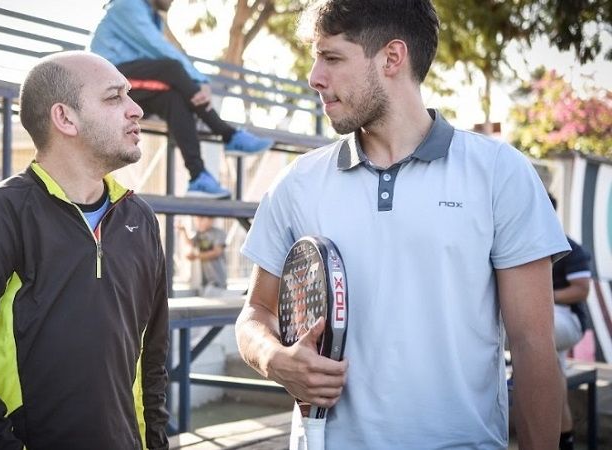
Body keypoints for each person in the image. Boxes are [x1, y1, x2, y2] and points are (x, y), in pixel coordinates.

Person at [234, 1, 570, 448]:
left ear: (392, 57)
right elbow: (256, 313)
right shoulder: (296, 183)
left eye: (332, 57)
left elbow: (533, 347)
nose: (315, 76)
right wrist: (274, 358)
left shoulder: (500, 172)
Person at [0, 51, 169, 450]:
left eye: (130, 96)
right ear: (65, 118)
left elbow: (152, 359)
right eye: (114, 97)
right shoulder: (0, 214)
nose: (136, 109)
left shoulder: (140, 219)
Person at [90, 0, 275, 199]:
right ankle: (228, 134)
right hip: (107, 85)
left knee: (174, 99)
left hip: (132, 89)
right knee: (171, 67)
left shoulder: (150, 15)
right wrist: (198, 79)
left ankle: (198, 176)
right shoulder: (126, 5)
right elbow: (157, 47)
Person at [548, 193, 593, 450]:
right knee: (554, 371)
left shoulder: (569, 247)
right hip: (545, 317)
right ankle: (565, 439)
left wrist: (539, 297)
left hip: (567, 318)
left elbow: (581, 290)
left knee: (539, 338)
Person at [178, 216, 227, 295]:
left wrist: (196, 256)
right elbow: (190, 243)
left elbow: (217, 252)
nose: (198, 222)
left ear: (211, 220)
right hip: (205, 282)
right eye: (196, 219)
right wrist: (183, 231)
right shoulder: (198, 234)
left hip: (217, 280)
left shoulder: (218, 233)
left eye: (201, 219)